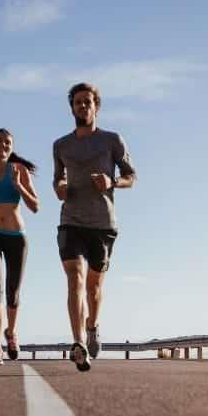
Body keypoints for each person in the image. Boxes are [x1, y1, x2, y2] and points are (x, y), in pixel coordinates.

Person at [52, 82, 137, 372]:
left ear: (96, 106)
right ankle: (78, 343)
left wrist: (113, 182)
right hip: (71, 221)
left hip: (102, 223)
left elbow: (131, 176)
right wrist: (60, 186)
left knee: (94, 287)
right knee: (74, 277)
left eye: (88, 102)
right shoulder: (61, 145)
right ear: (72, 108)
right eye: (78, 102)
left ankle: (92, 326)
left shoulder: (112, 140)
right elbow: (57, 179)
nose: (83, 107)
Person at [0, 128, 40, 364]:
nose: (3, 145)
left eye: (8, 142)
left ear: (11, 148)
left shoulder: (19, 170)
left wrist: (19, 185)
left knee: (13, 293)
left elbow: (35, 206)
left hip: (16, 237)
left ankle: (11, 333)